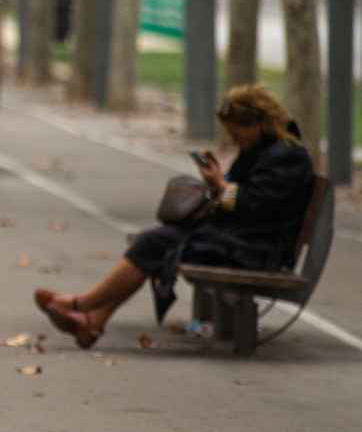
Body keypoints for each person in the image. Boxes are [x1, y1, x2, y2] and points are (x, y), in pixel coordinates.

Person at [34, 84, 314, 348]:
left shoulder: (286, 155)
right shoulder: (263, 149)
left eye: (237, 132)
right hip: (241, 239)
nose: (234, 139)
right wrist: (219, 183)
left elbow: (254, 205)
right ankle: (93, 321)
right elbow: (242, 196)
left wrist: (220, 186)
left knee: (154, 243)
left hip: (257, 250)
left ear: (257, 123)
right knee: (155, 241)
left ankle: (82, 305)